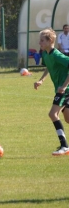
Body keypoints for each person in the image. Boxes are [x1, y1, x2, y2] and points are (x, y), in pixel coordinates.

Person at [34, 28, 69, 156]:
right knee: (67, 118)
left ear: (50, 41)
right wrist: (41, 80)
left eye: (42, 40)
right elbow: (49, 67)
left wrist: (64, 86)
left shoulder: (56, 54)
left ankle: (64, 146)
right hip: (61, 89)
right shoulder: (46, 54)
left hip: (65, 90)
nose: (40, 43)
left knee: (52, 114)